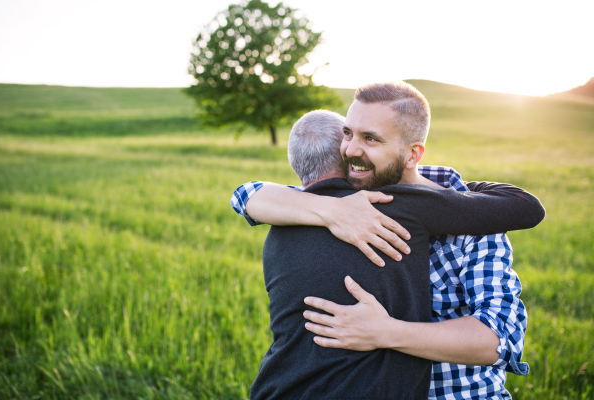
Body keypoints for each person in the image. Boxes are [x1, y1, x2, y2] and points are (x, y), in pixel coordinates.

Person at [231, 81, 543, 399]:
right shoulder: (350, 197)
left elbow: (499, 340)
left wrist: (385, 332)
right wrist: (332, 209)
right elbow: (246, 195)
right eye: (348, 133)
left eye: (371, 139)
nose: (351, 150)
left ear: (412, 154)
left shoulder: (478, 220)